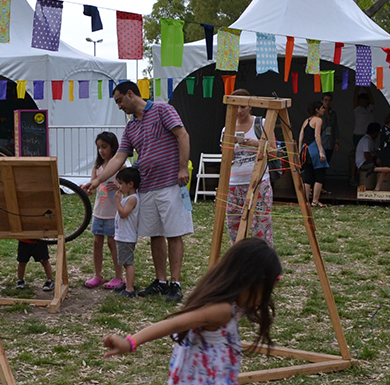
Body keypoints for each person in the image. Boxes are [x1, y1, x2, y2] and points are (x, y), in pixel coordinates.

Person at [101, 237, 282, 384]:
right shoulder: (222, 310)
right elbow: (175, 323)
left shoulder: (231, 304)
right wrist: (130, 342)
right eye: (264, 292)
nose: (264, 300)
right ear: (245, 281)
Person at [82, 81, 193, 303]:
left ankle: (175, 283)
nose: (119, 106)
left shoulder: (163, 110)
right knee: (155, 233)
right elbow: (119, 158)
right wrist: (97, 181)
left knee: (174, 233)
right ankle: (161, 281)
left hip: (171, 183)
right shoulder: (131, 127)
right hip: (147, 187)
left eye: (119, 101)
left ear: (130, 94)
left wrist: (182, 167)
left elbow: (183, 136)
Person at [221, 89, 274, 247]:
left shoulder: (261, 123)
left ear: (250, 106)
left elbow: (274, 150)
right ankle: (240, 262)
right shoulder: (227, 128)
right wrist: (227, 147)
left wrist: (256, 144)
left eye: (243, 107)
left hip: (259, 183)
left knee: (261, 225)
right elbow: (225, 158)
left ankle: (265, 262)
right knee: (234, 227)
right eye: (235, 107)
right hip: (234, 184)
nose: (239, 111)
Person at [85, 132, 125, 290]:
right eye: (99, 147)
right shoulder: (97, 167)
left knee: (113, 243)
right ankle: (98, 275)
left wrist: (119, 187)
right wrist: (88, 190)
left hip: (113, 212)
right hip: (98, 212)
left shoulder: (121, 166)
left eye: (104, 147)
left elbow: (128, 187)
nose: (101, 150)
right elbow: (92, 187)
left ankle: (119, 276)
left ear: (113, 147)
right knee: (97, 243)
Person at [113, 167, 140, 298]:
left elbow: (123, 214)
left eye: (121, 183)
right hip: (122, 235)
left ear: (130, 184)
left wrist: (117, 201)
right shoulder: (128, 198)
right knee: (124, 261)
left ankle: (130, 289)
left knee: (128, 262)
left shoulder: (132, 199)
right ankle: (128, 283)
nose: (119, 187)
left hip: (127, 237)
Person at [299, 101, 329, 208]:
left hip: (305, 149)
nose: (324, 110)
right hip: (314, 149)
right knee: (319, 176)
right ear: (317, 110)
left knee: (308, 175)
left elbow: (301, 137)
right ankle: (315, 200)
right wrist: (321, 151)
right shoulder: (318, 120)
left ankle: (306, 200)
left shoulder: (306, 121)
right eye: (322, 108)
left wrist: (300, 151)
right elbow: (317, 136)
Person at [356, 123, 390, 191]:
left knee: (386, 166)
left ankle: (377, 187)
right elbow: (367, 156)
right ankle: (375, 169)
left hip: (365, 161)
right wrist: (376, 158)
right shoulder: (367, 140)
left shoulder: (370, 140)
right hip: (363, 163)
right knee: (387, 165)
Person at [351, 87, 376, 185]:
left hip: (369, 135)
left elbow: (372, 98)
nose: (361, 102)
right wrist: (357, 86)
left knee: (369, 153)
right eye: (360, 100)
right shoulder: (357, 109)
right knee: (356, 156)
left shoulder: (371, 109)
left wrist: (367, 88)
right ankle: (353, 177)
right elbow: (354, 98)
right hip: (358, 134)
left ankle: (367, 176)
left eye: (363, 100)